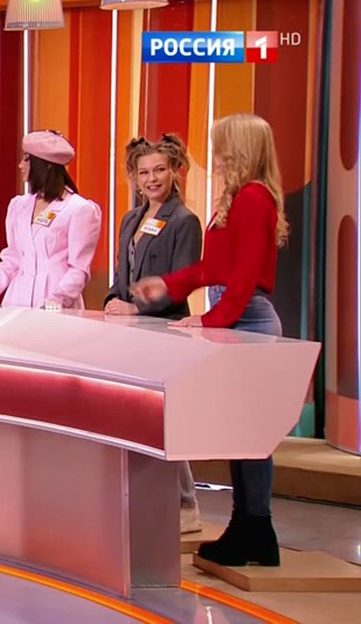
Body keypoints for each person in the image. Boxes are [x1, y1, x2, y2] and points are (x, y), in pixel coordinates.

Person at [134, 113, 290, 567]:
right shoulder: (240, 199)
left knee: (251, 434)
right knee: (241, 433)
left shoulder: (254, 198)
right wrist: (169, 284)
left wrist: (212, 320)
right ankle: (248, 526)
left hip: (248, 319)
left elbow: (243, 277)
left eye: (222, 146)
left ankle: (256, 527)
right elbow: (214, 269)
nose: (216, 156)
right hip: (236, 314)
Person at [104, 134, 204, 533]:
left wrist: (137, 307)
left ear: (174, 171)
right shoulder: (131, 219)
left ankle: (185, 503)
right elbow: (122, 275)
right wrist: (114, 299)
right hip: (130, 337)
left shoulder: (184, 221)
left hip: (165, 334)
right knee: (137, 420)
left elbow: (180, 284)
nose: (152, 179)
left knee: (165, 423)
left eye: (159, 170)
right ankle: (144, 502)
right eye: (144, 172)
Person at [0, 130, 100, 308]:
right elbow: (11, 261)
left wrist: (58, 298)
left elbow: (79, 268)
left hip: (56, 308)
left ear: (46, 165)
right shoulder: (18, 206)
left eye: (27, 159)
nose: (20, 165)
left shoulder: (79, 209)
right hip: (16, 304)